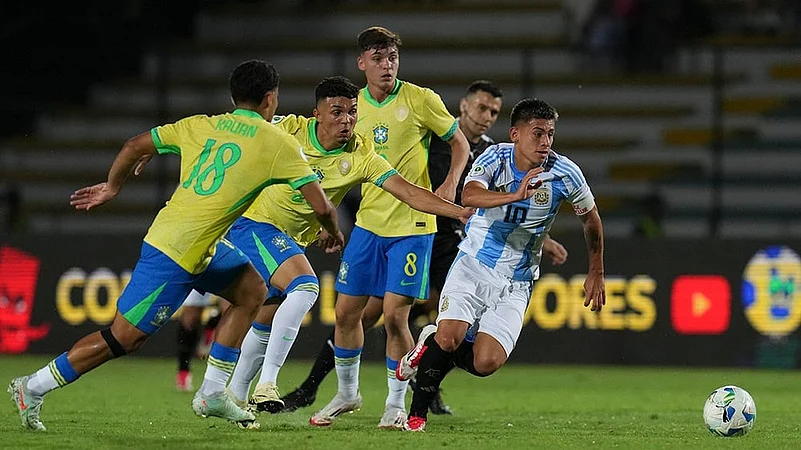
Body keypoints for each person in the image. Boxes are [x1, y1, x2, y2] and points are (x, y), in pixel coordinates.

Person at [7, 60, 339, 431]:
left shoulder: (200, 125)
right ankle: (32, 387)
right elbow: (322, 206)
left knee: (252, 291)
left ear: (234, 97)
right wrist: (334, 231)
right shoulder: (277, 143)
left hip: (196, 242)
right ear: (270, 99)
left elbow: (134, 145)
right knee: (124, 339)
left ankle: (212, 392)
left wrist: (112, 187)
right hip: (175, 252)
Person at [178, 76, 472, 415]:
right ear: (317, 114)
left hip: (290, 239)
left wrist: (458, 211)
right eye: (337, 112)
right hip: (255, 223)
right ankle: (267, 384)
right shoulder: (289, 129)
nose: (346, 120)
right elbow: (237, 128)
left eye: (352, 112)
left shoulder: (361, 154)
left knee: (266, 313)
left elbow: (407, 191)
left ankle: (231, 396)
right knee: (305, 287)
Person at [280, 80, 568, 415]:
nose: (487, 116)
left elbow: (509, 209)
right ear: (464, 106)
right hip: (412, 227)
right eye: (481, 108)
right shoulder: (435, 136)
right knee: (366, 314)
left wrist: (543, 240)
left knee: (439, 317)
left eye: (494, 112)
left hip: (453, 241)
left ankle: (424, 386)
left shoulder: (495, 152)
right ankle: (313, 387)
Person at [395, 98, 607, 432]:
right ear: (516, 134)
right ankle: (416, 416)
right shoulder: (495, 157)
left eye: (550, 134)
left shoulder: (565, 173)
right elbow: (469, 196)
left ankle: (430, 340)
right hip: (474, 264)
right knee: (450, 338)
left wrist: (596, 271)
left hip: (518, 281)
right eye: (537, 133)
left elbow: (591, 220)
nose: (545, 142)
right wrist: (515, 195)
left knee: (486, 362)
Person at [310, 26, 472, 429]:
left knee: (395, 316)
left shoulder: (420, 99)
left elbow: (461, 143)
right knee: (345, 313)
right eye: (378, 59)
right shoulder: (352, 108)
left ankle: (396, 404)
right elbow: (339, 164)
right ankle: (347, 393)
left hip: (413, 225)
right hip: (368, 223)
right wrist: (326, 217)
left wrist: (450, 183)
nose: (387, 66)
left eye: (393, 58)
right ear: (362, 63)